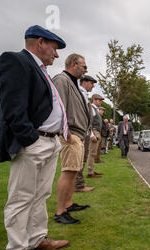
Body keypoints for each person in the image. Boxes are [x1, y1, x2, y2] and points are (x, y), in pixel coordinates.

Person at [0, 25, 69, 250]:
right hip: (34, 142)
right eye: (54, 49)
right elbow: (13, 108)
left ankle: (36, 238)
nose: (56, 55)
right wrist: (31, 140)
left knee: (41, 195)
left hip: (49, 141)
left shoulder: (40, 70)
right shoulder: (15, 61)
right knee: (21, 198)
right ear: (40, 42)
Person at [52, 53, 91, 224]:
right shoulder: (62, 80)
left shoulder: (72, 83)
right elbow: (58, 106)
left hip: (78, 134)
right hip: (71, 134)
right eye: (83, 66)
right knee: (68, 171)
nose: (85, 69)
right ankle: (60, 212)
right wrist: (64, 131)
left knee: (73, 171)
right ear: (74, 64)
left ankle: (68, 204)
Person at [75, 75, 96, 193]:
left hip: (85, 131)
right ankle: (78, 185)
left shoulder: (84, 94)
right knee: (80, 158)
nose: (93, 86)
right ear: (84, 82)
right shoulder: (79, 92)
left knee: (83, 157)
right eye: (92, 83)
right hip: (80, 131)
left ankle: (79, 183)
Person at [87, 96, 105, 178]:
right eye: (99, 100)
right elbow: (88, 123)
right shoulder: (91, 108)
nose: (100, 102)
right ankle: (90, 172)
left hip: (97, 132)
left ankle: (92, 170)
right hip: (94, 131)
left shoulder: (96, 109)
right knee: (92, 153)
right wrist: (91, 134)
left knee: (94, 153)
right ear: (94, 100)